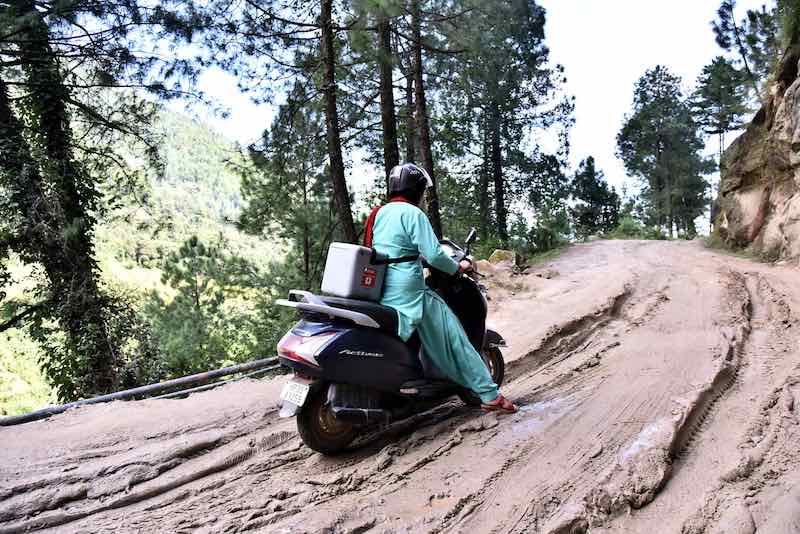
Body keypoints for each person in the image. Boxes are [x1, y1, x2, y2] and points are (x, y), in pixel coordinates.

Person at [364, 163, 517, 413]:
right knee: (454, 338)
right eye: (423, 191)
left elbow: (393, 250)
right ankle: (490, 396)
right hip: (410, 292)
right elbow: (435, 255)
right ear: (416, 190)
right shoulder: (413, 214)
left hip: (383, 288)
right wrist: (458, 268)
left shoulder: (379, 213)